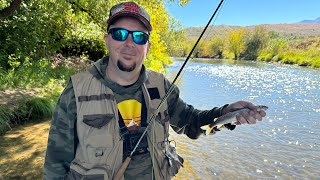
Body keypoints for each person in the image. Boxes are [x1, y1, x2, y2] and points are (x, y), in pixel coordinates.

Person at [43, 1, 267, 180]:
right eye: (120, 34)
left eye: (139, 37)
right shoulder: (76, 90)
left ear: (147, 47)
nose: (129, 43)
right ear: (107, 40)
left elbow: (191, 123)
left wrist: (229, 113)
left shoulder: (162, 87)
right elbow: (55, 165)